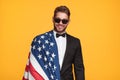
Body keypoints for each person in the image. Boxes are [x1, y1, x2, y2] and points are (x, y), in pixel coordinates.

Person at [22, 5, 85, 80]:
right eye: (57, 20)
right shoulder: (41, 41)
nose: (60, 23)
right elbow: (35, 67)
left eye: (64, 21)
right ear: (53, 19)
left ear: (68, 22)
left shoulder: (75, 42)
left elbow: (79, 68)